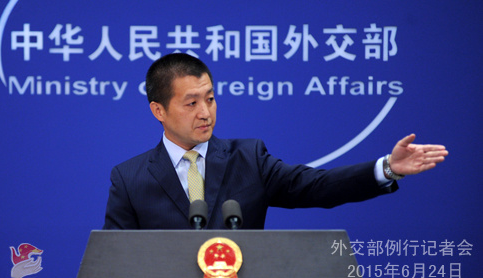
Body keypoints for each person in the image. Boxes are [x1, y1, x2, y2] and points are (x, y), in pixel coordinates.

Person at [103, 53, 448, 230]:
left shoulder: (248, 158)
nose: (205, 112)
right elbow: (116, 261)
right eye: (191, 103)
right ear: (158, 110)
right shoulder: (130, 178)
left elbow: (317, 187)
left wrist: (387, 168)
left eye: (210, 98)